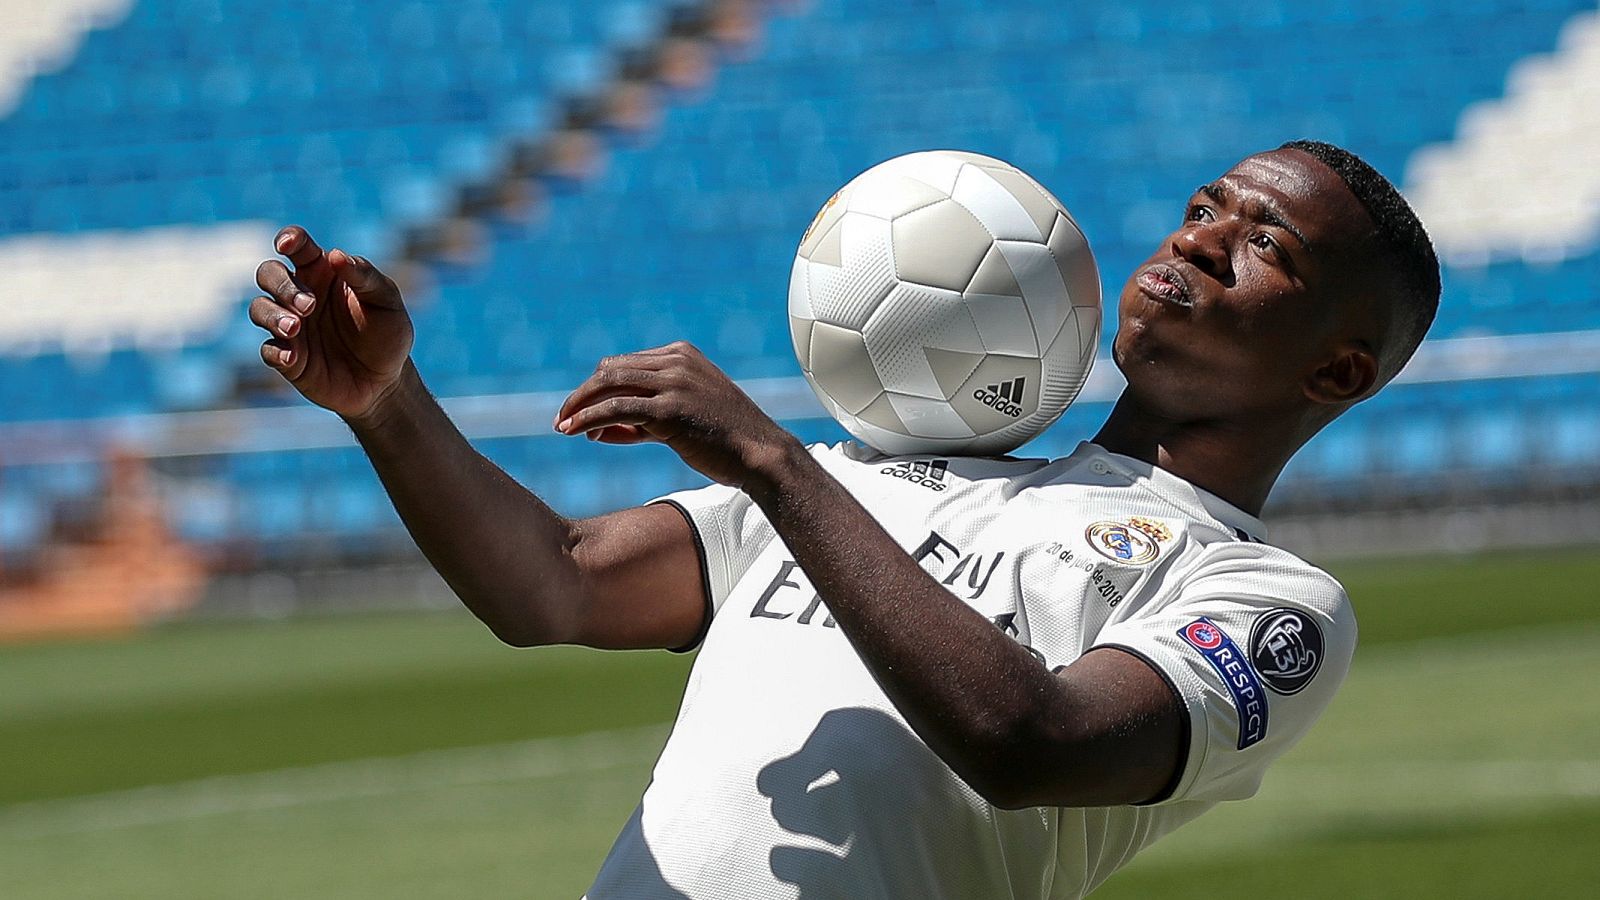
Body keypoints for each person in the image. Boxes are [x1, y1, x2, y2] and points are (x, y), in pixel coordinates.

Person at [247, 139, 1439, 898]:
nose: (1200, 239)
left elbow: (1037, 745)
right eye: (1204, 206)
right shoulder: (881, 471)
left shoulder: (1266, 601)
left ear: (1336, 374)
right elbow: (551, 582)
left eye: (1264, 243)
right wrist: (387, 403)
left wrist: (775, 463)